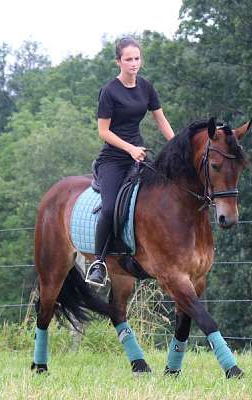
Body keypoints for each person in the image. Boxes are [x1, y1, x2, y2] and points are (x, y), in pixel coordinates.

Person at [85, 37, 175, 287]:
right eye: (128, 59)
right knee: (111, 208)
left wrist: (178, 146)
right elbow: (103, 131)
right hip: (114, 159)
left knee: (165, 194)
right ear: (118, 61)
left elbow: (161, 120)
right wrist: (130, 148)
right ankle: (99, 263)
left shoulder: (146, 87)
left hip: (139, 155)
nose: (133, 64)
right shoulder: (109, 91)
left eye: (137, 58)